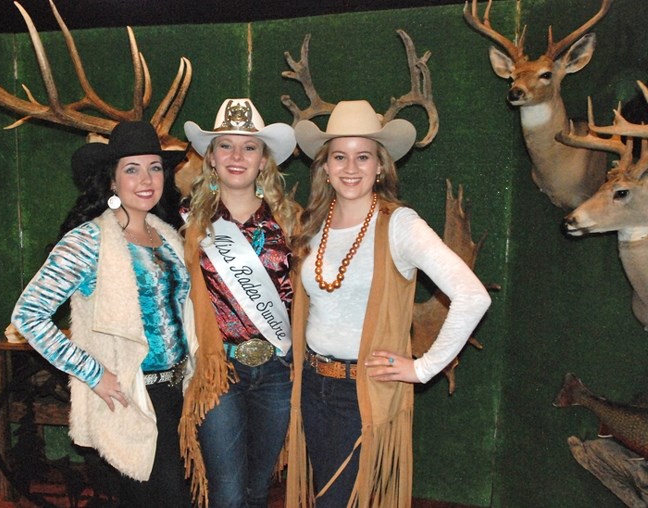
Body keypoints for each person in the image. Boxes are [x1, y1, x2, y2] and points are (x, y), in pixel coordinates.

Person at [285, 100, 492, 507]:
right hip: (313, 386)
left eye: (363, 157)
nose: (350, 167)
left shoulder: (400, 225)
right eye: (339, 157)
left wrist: (423, 368)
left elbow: (473, 296)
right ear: (324, 166)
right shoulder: (311, 225)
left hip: (361, 391)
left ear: (381, 166)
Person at [11, 120, 195, 507]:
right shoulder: (88, 240)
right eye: (132, 169)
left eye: (155, 167)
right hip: (130, 398)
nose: (146, 179)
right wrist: (93, 374)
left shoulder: (168, 234)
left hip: (179, 395)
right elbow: (29, 315)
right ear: (112, 180)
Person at [178, 98, 300, 508]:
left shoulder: (292, 222)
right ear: (210, 157)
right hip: (218, 371)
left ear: (264, 161)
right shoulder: (186, 224)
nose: (236, 156)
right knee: (227, 493)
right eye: (225, 146)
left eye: (249, 147)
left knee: (258, 489)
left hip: (278, 371)